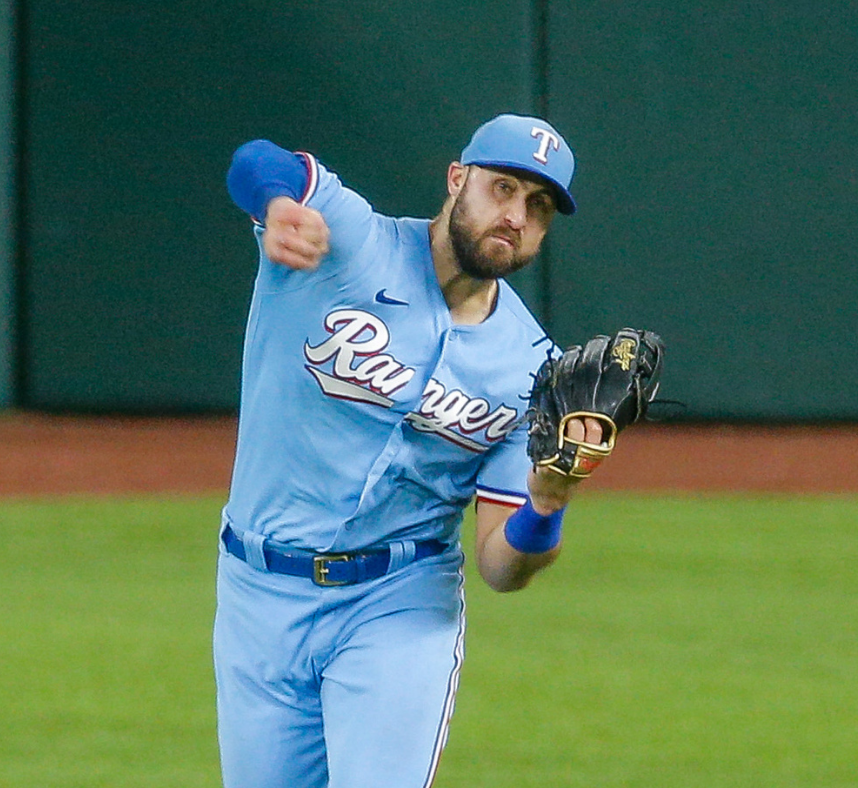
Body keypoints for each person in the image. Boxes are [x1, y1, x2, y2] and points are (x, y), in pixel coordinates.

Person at [215, 114, 609, 788]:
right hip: (257, 596)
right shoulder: (352, 240)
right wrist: (279, 205)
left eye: (538, 206)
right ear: (458, 180)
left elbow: (501, 566)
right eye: (503, 188)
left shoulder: (531, 371)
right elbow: (258, 160)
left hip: (398, 606)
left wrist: (548, 503)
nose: (515, 215)